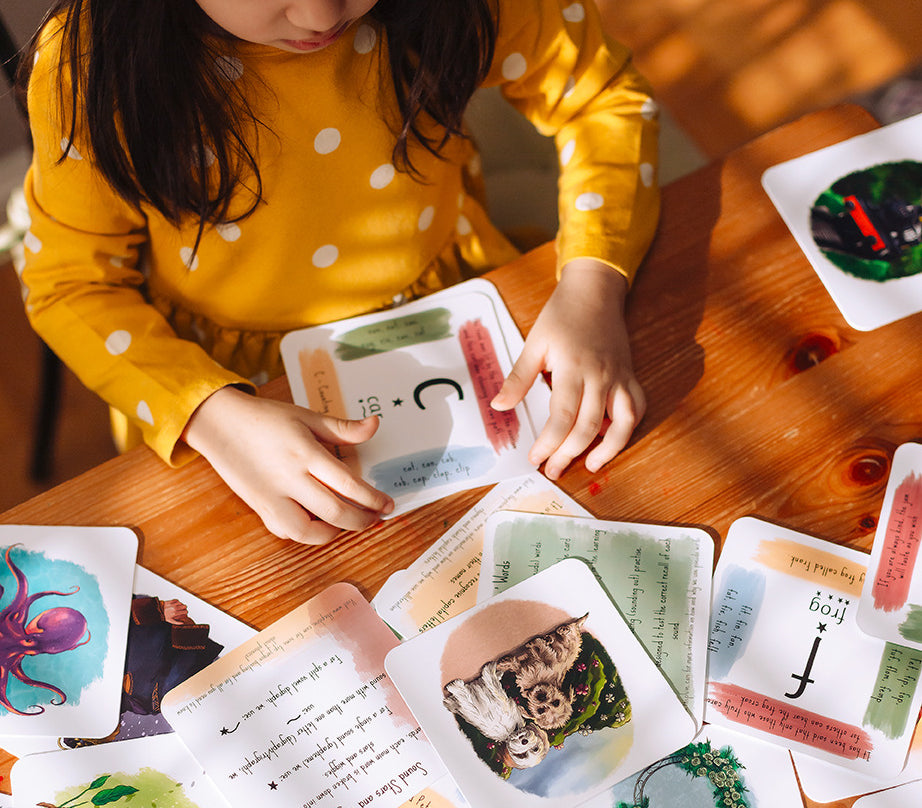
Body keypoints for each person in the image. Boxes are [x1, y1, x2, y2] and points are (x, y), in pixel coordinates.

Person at [19, 0, 659, 546]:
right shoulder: (85, 68)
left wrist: (591, 287)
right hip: (223, 389)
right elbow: (68, 284)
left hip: (457, 310)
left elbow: (603, 100)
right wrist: (210, 415)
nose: (322, 15)